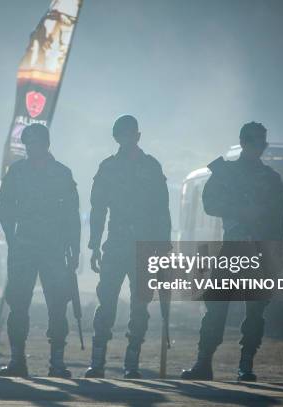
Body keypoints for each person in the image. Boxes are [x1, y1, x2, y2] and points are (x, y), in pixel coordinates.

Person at [180, 121, 283, 382]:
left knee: (255, 312)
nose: (259, 148)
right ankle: (203, 363)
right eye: (255, 142)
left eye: (263, 143)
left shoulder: (271, 179)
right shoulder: (226, 173)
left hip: (260, 249)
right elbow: (209, 204)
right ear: (244, 142)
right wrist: (240, 211)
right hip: (232, 248)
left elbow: (280, 219)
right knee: (215, 307)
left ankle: (246, 365)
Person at [85, 115, 171, 379]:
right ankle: (97, 362)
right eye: (122, 134)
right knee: (107, 303)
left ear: (138, 136)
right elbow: (97, 209)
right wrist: (94, 244)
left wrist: (164, 248)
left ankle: (131, 363)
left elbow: (162, 211)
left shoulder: (152, 167)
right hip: (116, 246)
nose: (127, 139)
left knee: (140, 306)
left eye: (131, 134)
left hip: (145, 247)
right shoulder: (108, 168)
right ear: (117, 138)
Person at [0, 123, 80, 378]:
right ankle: (17, 361)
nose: (32, 147)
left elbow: (72, 215)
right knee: (18, 304)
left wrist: (74, 249)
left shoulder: (62, 173)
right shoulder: (17, 172)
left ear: (46, 144)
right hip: (23, 247)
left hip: (54, 249)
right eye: (28, 143)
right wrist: (13, 239)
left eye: (37, 142)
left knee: (57, 306)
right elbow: (5, 208)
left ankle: (57, 363)